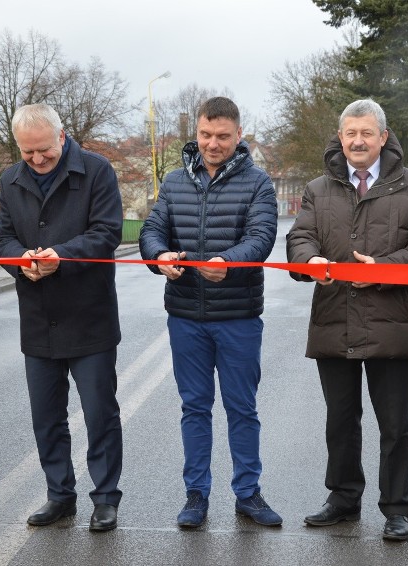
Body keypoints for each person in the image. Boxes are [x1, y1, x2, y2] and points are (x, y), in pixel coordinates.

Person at [286, 99, 408, 541]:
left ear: (382, 137)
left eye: (366, 133)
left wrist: (382, 267)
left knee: (394, 423)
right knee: (340, 418)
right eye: (350, 133)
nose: (357, 141)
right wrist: (309, 259)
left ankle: (396, 507)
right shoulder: (318, 189)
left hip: (388, 321)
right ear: (341, 138)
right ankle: (342, 498)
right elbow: (299, 236)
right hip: (333, 317)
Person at [139, 96, 280, 529]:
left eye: (222, 136)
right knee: (194, 407)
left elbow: (261, 237)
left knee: (242, 408)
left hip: (237, 316)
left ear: (239, 135)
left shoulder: (259, 183)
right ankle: (196, 495)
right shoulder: (175, 180)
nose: (212, 144)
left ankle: (248, 494)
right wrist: (159, 255)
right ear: (196, 133)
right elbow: (151, 229)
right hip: (186, 317)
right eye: (205, 135)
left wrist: (228, 263)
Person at [0, 103, 123, 532]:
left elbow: (107, 233)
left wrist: (60, 256)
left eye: (44, 150)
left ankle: (105, 498)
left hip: (90, 315)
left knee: (99, 413)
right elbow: (3, 237)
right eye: (28, 153)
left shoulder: (97, 170)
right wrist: (20, 260)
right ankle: (59, 495)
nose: (38, 160)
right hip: (38, 315)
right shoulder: (10, 179)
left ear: (61, 136)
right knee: (46, 416)